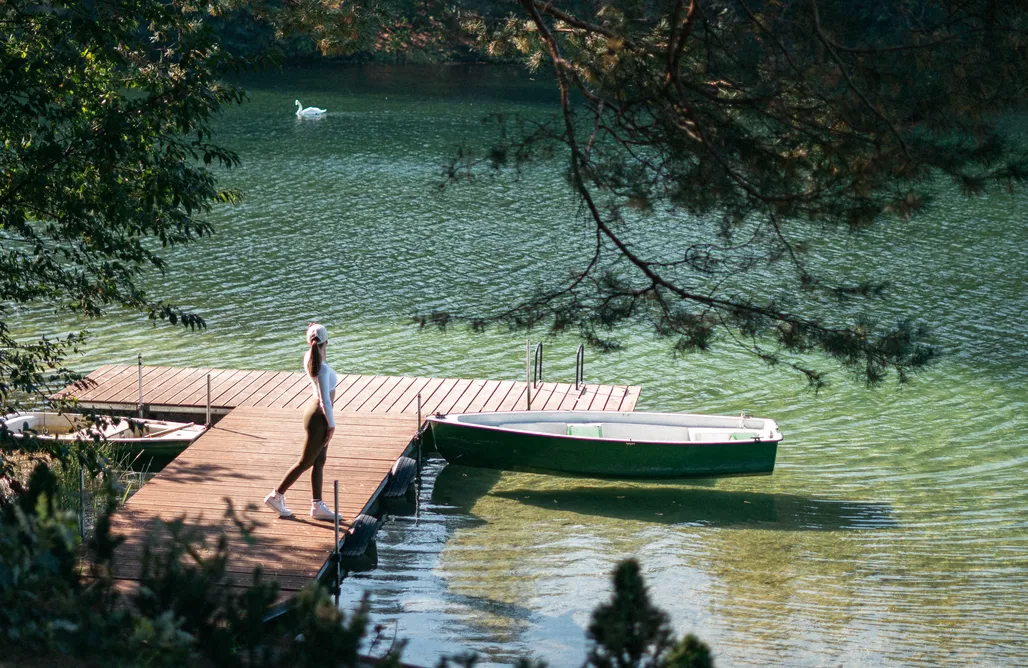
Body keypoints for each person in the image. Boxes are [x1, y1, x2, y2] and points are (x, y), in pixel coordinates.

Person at [264, 322, 340, 521]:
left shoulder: (308, 357)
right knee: (305, 462)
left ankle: (317, 505)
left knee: (319, 460)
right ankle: (276, 496)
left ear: (310, 342)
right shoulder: (322, 369)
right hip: (319, 417)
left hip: (315, 412)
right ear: (327, 343)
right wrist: (332, 425)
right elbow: (325, 400)